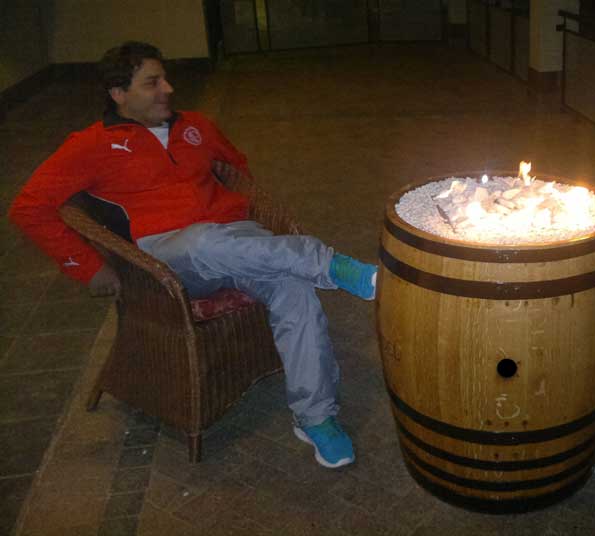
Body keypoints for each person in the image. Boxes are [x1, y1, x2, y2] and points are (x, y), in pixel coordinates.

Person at [9, 41, 377, 469]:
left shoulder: (196, 126)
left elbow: (236, 167)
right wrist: (87, 267)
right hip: (168, 258)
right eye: (152, 83)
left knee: (295, 290)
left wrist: (234, 207)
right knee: (203, 240)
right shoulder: (91, 145)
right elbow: (28, 208)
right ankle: (329, 264)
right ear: (119, 93)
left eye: (165, 78)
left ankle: (315, 417)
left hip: (236, 242)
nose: (168, 88)